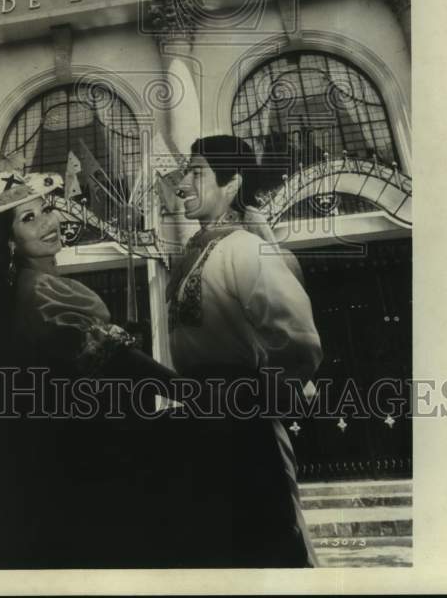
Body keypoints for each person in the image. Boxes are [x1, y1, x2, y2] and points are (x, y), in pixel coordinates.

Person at [0, 158, 177, 569]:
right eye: (28, 218)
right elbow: (114, 362)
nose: (47, 222)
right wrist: (187, 389)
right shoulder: (42, 294)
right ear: (9, 242)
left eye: (46, 208)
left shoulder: (38, 289)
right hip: (76, 470)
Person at [165, 134, 323, 567]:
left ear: (231, 184)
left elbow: (300, 340)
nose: (182, 184)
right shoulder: (191, 257)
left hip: (244, 426)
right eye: (184, 172)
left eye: (196, 172)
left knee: (269, 544)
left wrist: (258, 396)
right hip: (198, 421)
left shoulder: (246, 248)